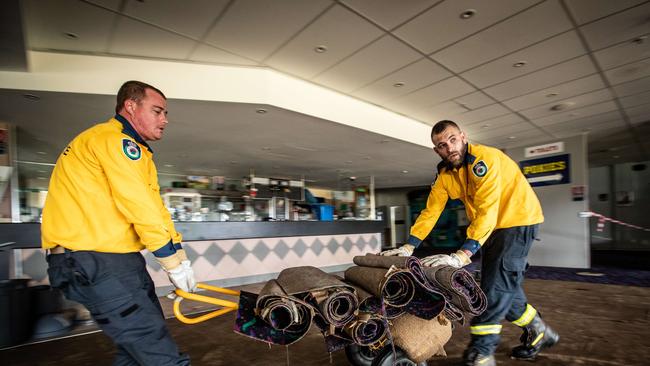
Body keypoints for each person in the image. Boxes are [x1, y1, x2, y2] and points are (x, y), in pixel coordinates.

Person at [380, 120, 559, 366]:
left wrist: (462, 255)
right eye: (442, 145)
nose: (449, 147)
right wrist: (409, 245)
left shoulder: (485, 160)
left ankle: (481, 353)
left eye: (453, 139)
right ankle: (540, 332)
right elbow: (431, 211)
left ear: (463, 137)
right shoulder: (445, 174)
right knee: (500, 286)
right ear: (437, 150)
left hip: (518, 221)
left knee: (495, 289)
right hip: (492, 229)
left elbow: (488, 210)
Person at [42, 80, 196, 365]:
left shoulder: (136, 150)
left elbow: (155, 207)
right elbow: (137, 205)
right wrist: (170, 263)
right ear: (130, 106)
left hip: (117, 260)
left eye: (165, 113)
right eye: (157, 111)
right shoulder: (113, 141)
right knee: (157, 352)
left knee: (136, 351)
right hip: (94, 260)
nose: (165, 119)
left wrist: (180, 256)